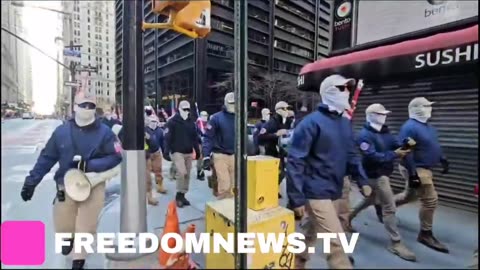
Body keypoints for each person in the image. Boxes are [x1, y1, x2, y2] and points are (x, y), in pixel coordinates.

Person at [20, 92, 123, 270]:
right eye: (83, 105)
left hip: (93, 185)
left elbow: (116, 157)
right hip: (66, 185)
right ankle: (68, 238)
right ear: (75, 106)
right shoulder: (61, 132)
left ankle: (79, 260)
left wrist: (89, 165)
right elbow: (47, 158)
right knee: (63, 223)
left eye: (91, 106)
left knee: (87, 225)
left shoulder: (105, 133)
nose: (87, 109)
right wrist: (31, 182)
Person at [287, 74, 372, 269]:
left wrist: (363, 180)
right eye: (342, 88)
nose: (347, 93)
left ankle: (297, 263)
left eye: (348, 88)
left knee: (311, 231)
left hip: (335, 189)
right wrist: (296, 198)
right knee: (336, 240)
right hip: (315, 190)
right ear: (329, 92)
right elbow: (295, 161)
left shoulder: (343, 123)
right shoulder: (310, 123)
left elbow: (352, 155)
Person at [349, 103, 417, 261]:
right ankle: (396, 242)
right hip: (373, 174)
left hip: (383, 173)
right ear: (371, 115)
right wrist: (394, 154)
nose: (384, 116)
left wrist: (407, 144)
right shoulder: (363, 136)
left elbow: (397, 145)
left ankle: (347, 217)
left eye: (385, 114)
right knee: (389, 205)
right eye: (380, 114)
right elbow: (372, 156)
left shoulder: (386, 133)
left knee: (370, 199)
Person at [394, 97, 450, 253]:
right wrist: (413, 174)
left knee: (409, 196)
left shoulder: (428, 127)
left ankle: (386, 205)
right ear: (417, 108)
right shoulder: (409, 128)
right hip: (416, 168)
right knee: (430, 200)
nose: (429, 109)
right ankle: (425, 233)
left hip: (424, 168)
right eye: (426, 106)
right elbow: (406, 152)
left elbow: (433, 145)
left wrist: (442, 159)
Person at [163, 100, 200, 208]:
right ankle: (178, 196)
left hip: (188, 151)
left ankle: (183, 194)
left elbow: (195, 138)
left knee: (187, 175)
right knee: (181, 172)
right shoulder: (172, 122)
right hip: (177, 151)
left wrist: (197, 151)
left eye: (188, 109)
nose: (186, 111)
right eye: (184, 109)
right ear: (179, 109)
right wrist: (166, 151)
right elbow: (167, 138)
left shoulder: (191, 122)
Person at [202, 92, 235, 200]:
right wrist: (206, 156)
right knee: (224, 185)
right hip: (220, 155)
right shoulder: (216, 118)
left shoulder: (239, 118)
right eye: (230, 103)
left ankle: (231, 209)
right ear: (225, 103)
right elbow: (208, 137)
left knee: (234, 186)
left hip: (235, 155)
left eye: (235, 103)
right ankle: (223, 208)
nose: (232, 105)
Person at [258, 101, 291, 198]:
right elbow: (261, 136)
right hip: (271, 152)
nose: (287, 111)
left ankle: (271, 189)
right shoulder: (272, 122)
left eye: (287, 108)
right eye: (285, 109)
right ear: (279, 110)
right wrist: (275, 135)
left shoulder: (285, 121)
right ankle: (268, 191)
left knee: (281, 173)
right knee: (275, 173)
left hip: (280, 152)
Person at [145, 115, 167, 194]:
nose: (153, 123)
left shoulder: (160, 131)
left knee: (158, 170)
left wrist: (165, 152)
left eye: (155, 121)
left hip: (156, 152)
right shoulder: (145, 130)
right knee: (147, 172)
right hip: (147, 154)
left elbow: (163, 143)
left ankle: (159, 186)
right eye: (152, 121)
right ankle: (148, 189)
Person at [196, 111, 209, 181]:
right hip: (200, 143)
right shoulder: (198, 123)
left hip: (207, 142)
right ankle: (200, 173)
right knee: (200, 158)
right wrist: (200, 137)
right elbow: (196, 133)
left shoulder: (208, 123)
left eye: (206, 115)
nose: (205, 117)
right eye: (203, 115)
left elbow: (210, 130)